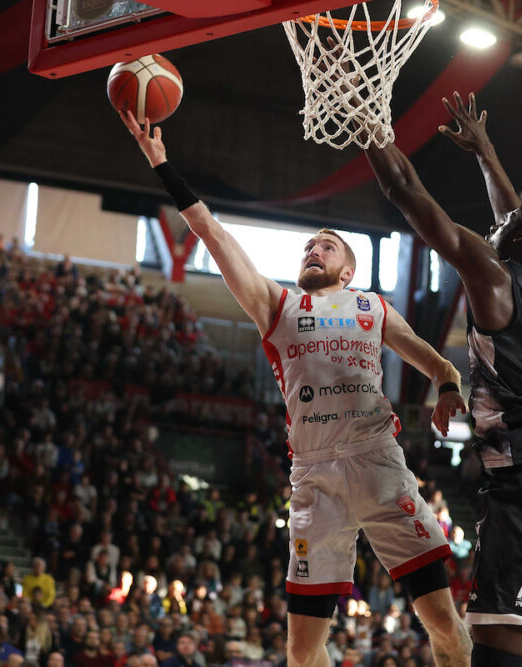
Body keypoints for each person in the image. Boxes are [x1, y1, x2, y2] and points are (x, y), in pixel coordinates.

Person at [120, 109, 472, 667]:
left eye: (327, 246)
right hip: (314, 476)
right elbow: (212, 232)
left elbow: (434, 360)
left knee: (443, 622)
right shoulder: (276, 305)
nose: (314, 249)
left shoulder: (371, 306)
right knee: (301, 651)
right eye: (309, 245)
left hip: (378, 462)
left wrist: (449, 385)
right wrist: (163, 167)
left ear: (348, 271)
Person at [364, 92, 522, 667]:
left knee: (495, 659)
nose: (503, 220)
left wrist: (365, 119)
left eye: (512, 223)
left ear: (520, 239)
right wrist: (486, 153)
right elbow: (513, 216)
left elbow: (406, 190)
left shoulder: (494, 276)